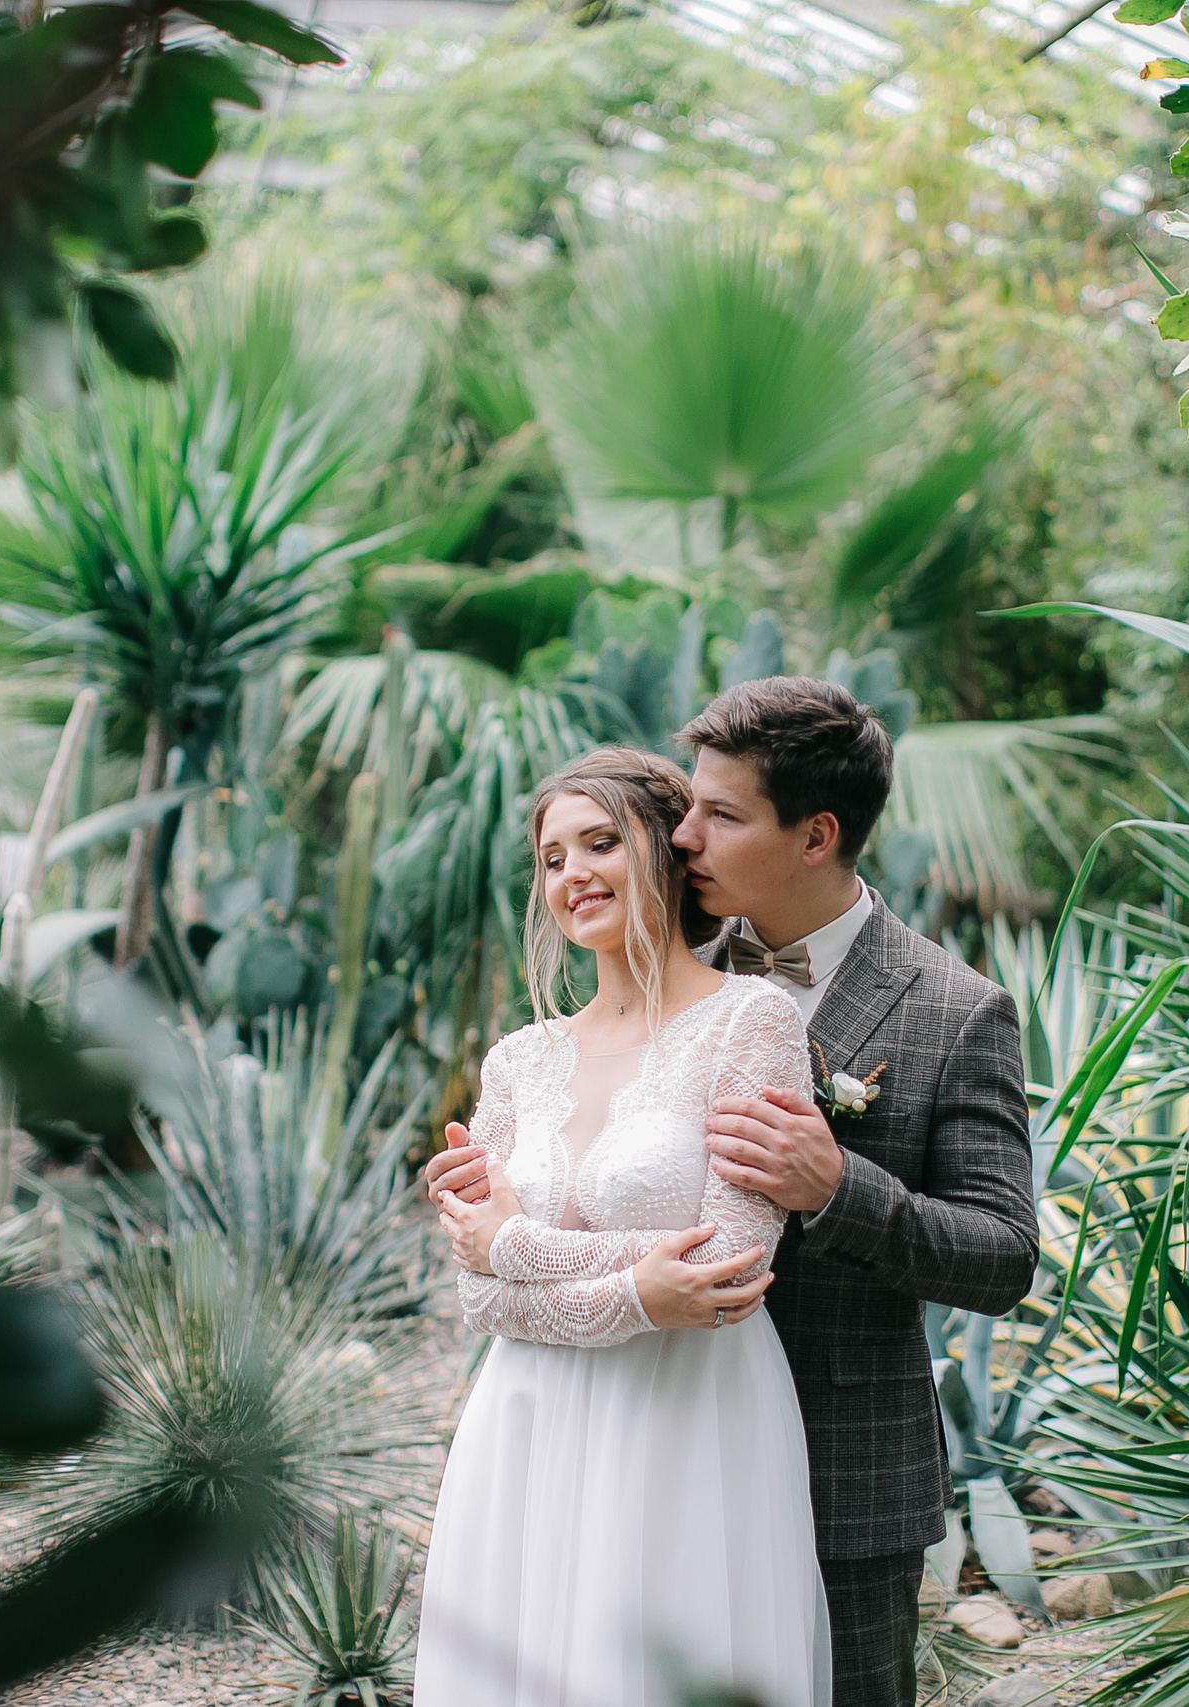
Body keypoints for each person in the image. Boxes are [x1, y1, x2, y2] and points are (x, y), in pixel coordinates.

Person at [426, 677, 1037, 1707]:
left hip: (839, 1466)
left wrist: (842, 1187)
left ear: (814, 835)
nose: (684, 833)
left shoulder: (953, 1012)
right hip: (612, 1432)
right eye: (682, 810)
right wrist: (497, 1217)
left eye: (718, 814)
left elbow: (1002, 1255)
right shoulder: (648, 965)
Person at [414, 747, 831, 1707]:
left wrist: (521, 1247)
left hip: (689, 1416)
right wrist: (638, 1285)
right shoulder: (517, 1060)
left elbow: (728, 1267)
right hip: (524, 1419)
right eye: (552, 858)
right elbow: (476, 1296)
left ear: (667, 852)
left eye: (600, 842)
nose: (573, 875)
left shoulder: (750, 1020)